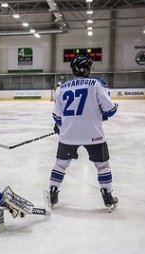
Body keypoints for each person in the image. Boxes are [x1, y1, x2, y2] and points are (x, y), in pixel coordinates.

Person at [49, 55, 119, 211]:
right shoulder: (95, 84)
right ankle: (107, 196)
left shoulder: (62, 88)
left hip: (68, 135)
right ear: (87, 69)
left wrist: (59, 126)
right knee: (103, 166)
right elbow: (110, 110)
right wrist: (108, 112)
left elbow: (57, 116)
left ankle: (52, 194)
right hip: (93, 134)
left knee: (60, 165)